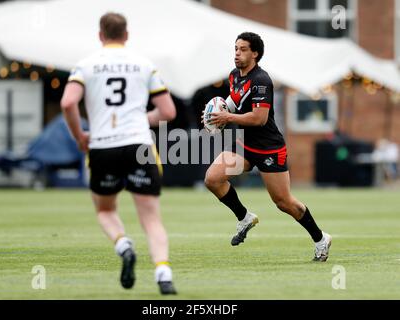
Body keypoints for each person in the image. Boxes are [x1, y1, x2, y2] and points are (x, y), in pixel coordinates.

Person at [60, 12, 177, 294]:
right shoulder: (143, 64)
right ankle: (163, 273)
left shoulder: (86, 65)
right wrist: (138, 119)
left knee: (105, 209)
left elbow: (67, 103)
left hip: (102, 145)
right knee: (151, 218)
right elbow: (167, 112)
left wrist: (80, 137)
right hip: (138, 145)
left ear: (101, 35)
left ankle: (124, 245)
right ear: (127, 35)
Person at [203, 32, 332, 262]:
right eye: (235, 49)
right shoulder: (234, 76)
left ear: (255, 54)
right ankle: (244, 217)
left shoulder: (261, 80)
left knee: (283, 202)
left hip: (269, 148)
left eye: (243, 50)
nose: (237, 54)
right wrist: (218, 113)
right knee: (213, 178)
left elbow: (259, 118)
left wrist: (228, 118)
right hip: (245, 145)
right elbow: (235, 101)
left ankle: (320, 238)